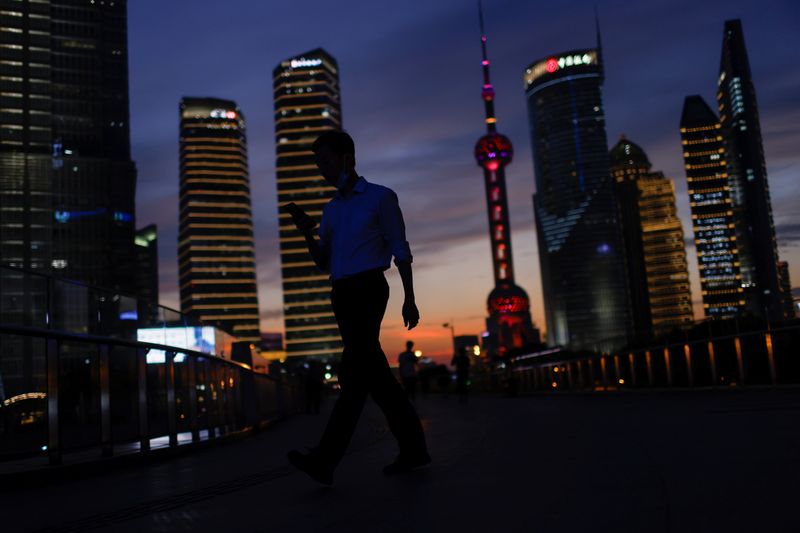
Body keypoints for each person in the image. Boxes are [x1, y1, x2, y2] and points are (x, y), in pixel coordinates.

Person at [286, 131, 430, 485]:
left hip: (368, 289)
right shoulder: (331, 209)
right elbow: (322, 261)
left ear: (347, 157)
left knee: (355, 375)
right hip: (342, 293)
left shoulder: (381, 197)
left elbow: (400, 248)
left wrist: (409, 298)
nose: (321, 169)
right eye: (318, 162)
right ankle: (413, 448)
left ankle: (325, 459)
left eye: (326, 160)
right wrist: (307, 232)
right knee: (373, 377)